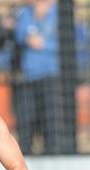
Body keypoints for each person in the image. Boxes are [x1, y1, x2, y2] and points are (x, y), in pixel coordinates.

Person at [12, 0, 63, 155]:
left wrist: (44, 44)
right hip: (28, 77)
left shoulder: (59, 13)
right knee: (26, 119)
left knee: (50, 119)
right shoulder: (25, 12)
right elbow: (20, 34)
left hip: (50, 76)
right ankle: (25, 154)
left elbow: (65, 43)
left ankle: (51, 152)